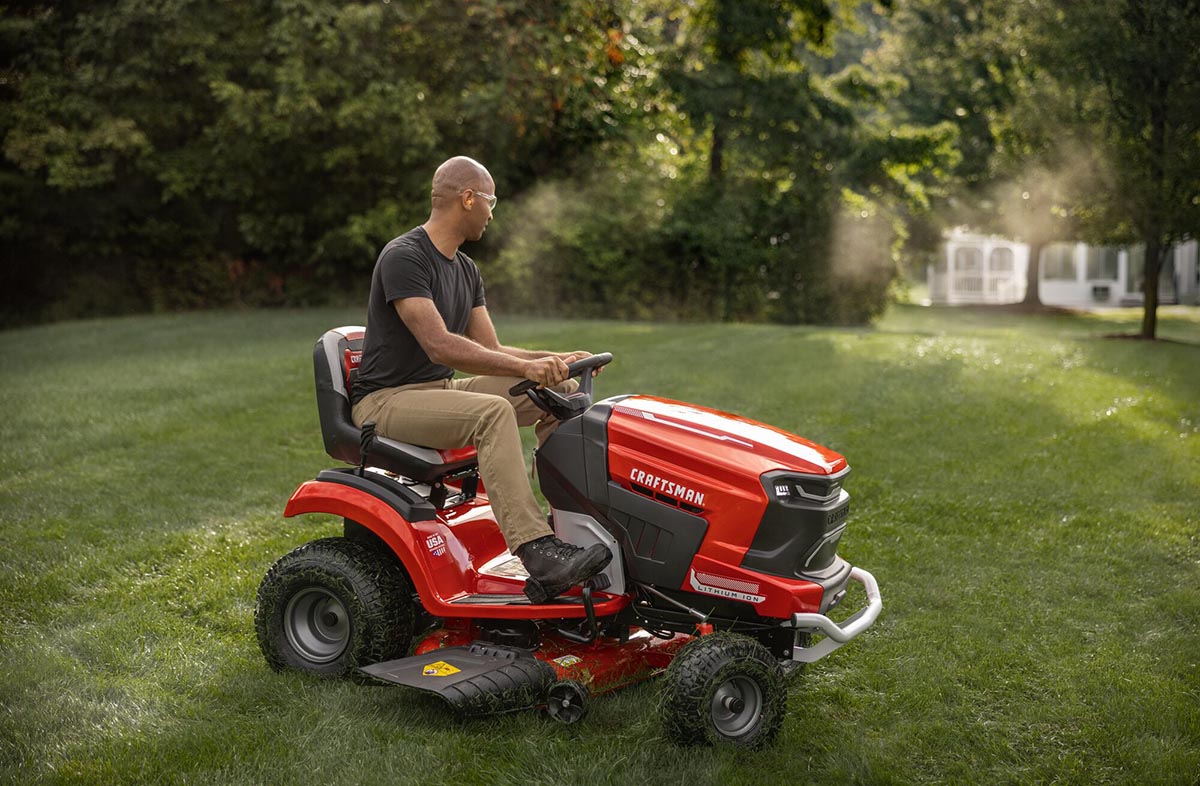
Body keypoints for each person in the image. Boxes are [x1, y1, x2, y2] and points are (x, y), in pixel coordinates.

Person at [350, 156, 611, 601]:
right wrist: (526, 367)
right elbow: (440, 346)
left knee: (560, 391)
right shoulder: (404, 257)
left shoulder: (466, 270)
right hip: (385, 401)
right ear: (467, 198)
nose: (492, 212)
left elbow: (490, 350)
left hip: (437, 391)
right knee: (492, 412)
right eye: (490, 201)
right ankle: (537, 550)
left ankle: (568, 523)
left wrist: (556, 360)